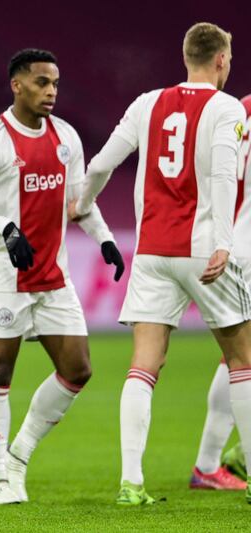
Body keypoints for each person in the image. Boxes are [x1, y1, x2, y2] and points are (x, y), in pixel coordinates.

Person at [70, 22, 251, 505]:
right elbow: (222, 175)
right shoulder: (227, 106)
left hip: (151, 253)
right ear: (219, 60)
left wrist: (84, 202)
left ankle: (131, 483)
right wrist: (224, 244)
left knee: (144, 366)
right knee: (243, 361)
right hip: (202, 250)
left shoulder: (147, 102)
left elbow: (103, 162)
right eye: (229, 60)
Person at [0, 49, 123, 504]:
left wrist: (102, 237)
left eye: (56, 83)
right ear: (17, 85)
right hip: (5, 279)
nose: (51, 91)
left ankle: (19, 455)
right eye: (42, 82)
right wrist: (4, 228)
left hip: (54, 277)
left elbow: (78, 200)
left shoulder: (66, 137)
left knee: (78, 369)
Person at [189, 92, 251, 490]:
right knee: (240, 356)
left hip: (229, 240)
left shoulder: (237, 107)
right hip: (244, 241)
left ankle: (213, 463)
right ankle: (219, 460)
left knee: (235, 355)